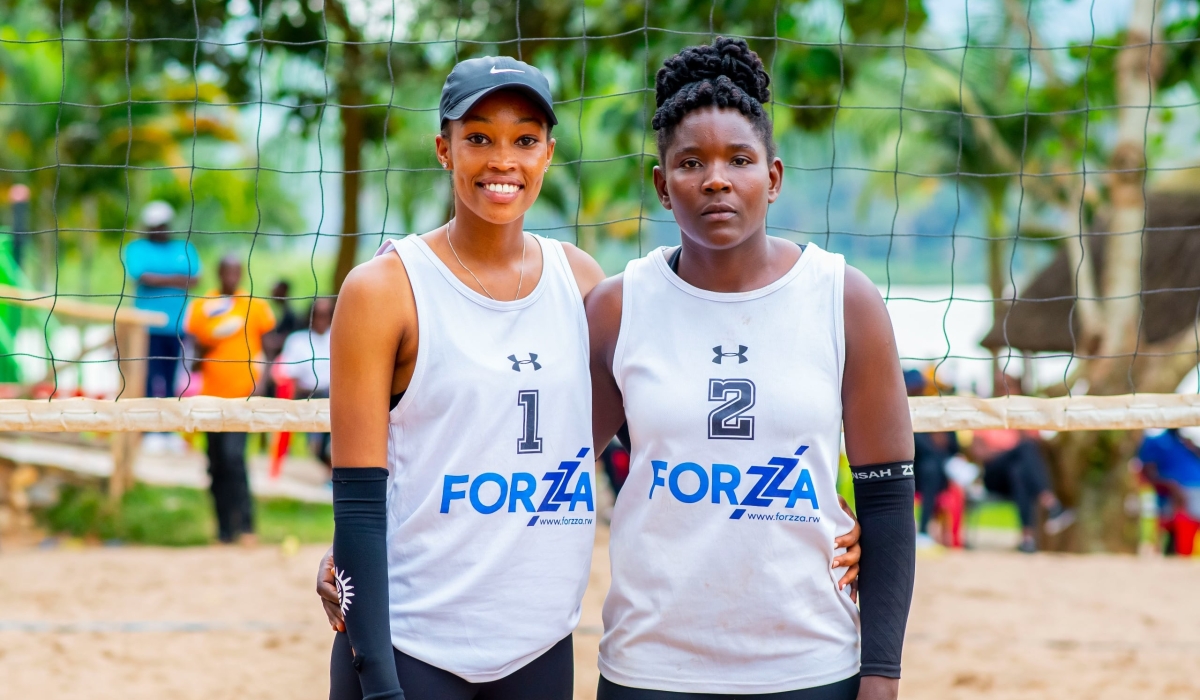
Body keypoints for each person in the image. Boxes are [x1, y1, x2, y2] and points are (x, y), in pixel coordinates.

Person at [314, 54, 863, 700]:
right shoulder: (383, 288)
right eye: (478, 138)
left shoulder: (580, 281)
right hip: (414, 641)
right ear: (444, 149)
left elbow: (684, 423)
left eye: (524, 139)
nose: (502, 160)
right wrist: (360, 609)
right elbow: (359, 492)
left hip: (539, 644)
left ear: (548, 153)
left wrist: (840, 517)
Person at [584, 38, 914, 700]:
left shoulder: (843, 299)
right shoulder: (621, 305)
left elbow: (887, 499)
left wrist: (881, 677)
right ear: (660, 183)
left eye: (739, 159)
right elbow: (548, 472)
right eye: (690, 162)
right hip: (651, 665)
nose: (715, 178)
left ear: (774, 177)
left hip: (808, 662)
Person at [185, 256, 275, 544]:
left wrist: (263, 381)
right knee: (216, 463)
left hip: (243, 395)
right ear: (219, 272)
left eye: (237, 271)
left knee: (235, 459)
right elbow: (194, 357)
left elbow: (271, 345)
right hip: (210, 397)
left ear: (242, 274)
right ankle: (224, 530)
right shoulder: (202, 306)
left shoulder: (255, 306)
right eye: (227, 270)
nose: (232, 276)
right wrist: (206, 341)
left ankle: (246, 526)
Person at [971, 377, 1072, 553]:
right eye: (1002, 388)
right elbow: (979, 451)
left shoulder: (1025, 417)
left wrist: (1018, 421)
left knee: (1018, 472)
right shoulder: (986, 413)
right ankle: (1051, 503)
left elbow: (1037, 448)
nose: (1007, 392)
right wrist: (1007, 452)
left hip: (1011, 475)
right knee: (1023, 450)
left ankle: (1027, 540)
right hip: (993, 474)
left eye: (1011, 388)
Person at [123, 201, 200, 400]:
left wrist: (160, 278)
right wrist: (178, 279)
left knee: (172, 377)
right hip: (145, 328)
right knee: (146, 377)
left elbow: (196, 279)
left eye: (163, 224)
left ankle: (165, 426)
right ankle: (147, 426)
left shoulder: (184, 247)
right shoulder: (137, 248)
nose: (159, 229)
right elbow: (142, 276)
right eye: (155, 225)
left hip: (177, 326)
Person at [276, 296, 334, 465]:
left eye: (326, 314)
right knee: (316, 444)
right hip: (305, 396)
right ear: (310, 315)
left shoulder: (339, 336)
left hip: (334, 397)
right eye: (318, 314)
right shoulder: (297, 340)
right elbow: (287, 375)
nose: (322, 319)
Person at [906, 369, 959, 547]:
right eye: (913, 388)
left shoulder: (936, 412)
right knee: (931, 465)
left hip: (939, 474)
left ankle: (926, 531)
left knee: (933, 466)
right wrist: (938, 445)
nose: (917, 390)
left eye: (919, 387)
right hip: (913, 473)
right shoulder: (902, 412)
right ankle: (922, 531)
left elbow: (954, 446)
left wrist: (942, 441)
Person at [1138, 427, 1200, 555]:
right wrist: (1171, 486)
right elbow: (1146, 474)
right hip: (1174, 498)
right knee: (1178, 536)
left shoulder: (1187, 442)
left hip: (1192, 497)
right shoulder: (1155, 441)